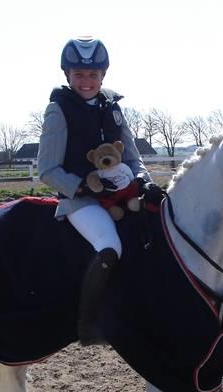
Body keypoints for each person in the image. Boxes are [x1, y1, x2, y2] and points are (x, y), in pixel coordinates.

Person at [37, 36, 154, 344]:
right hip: (80, 201)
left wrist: (144, 180)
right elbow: (47, 169)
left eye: (92, 75)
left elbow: (132, 155)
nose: (86, 81)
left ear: (103, 75)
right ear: (68, 75)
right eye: (79, 74)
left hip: (122, 194)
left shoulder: (113, 106)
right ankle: (87, 323)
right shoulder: (58, 109)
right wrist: (86, 191)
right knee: (109, 246)